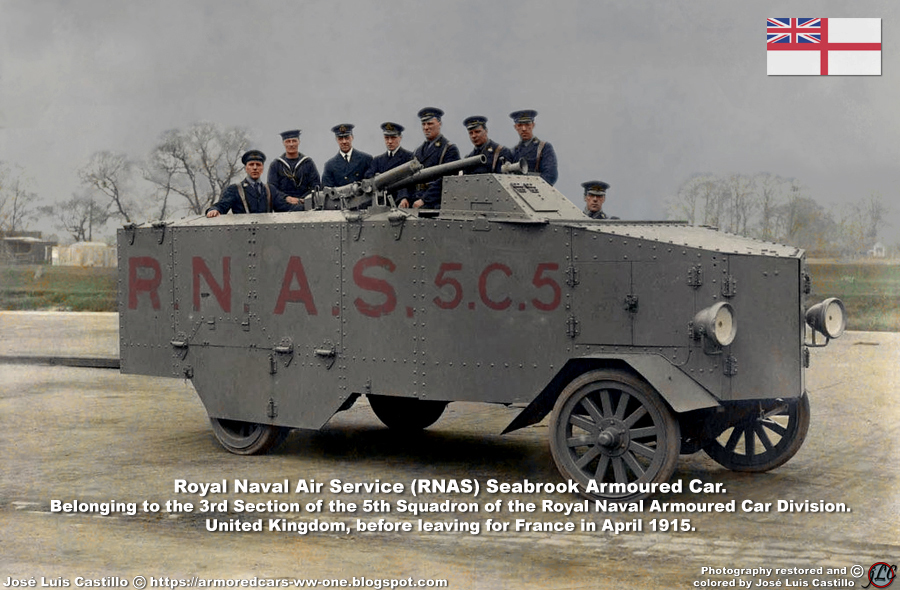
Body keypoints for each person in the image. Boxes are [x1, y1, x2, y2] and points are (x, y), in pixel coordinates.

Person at [206, 150, 301, 217]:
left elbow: (286, 207)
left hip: (267, 236)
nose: (255, 168)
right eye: (251, 165)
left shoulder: (270, 190)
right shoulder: (235, 189)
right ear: (246, 168)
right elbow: (222, 205)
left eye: (258, 165)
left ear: (262, 168)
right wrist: (214, 210)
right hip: (242, 235)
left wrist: (307, 206)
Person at [402, 107, 460, 209]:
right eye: (423, 124)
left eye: (430, 124)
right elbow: (408, 177)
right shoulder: (417, 151)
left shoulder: (448, 149)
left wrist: (424, 200)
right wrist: (404, 197)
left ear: (439, 124)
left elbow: (446, 179)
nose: (426, 127)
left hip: (435, 204)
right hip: (415, 201)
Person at [267, 129, 320, 208]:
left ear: (299, 142)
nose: (291, 144)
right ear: (283, 143)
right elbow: (272, 188)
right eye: (288, 141)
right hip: (284, 206)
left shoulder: (308, 163)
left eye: (294, 141)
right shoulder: (276, 164)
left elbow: (316, 185)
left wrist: (303, 199)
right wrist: (286, 198)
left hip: (305, 204)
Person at [365, 122, 415, 203]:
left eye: (393, 138)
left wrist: (404, 197)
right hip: (382, 202)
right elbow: (368, 176)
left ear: (400, 138)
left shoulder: (409, 157)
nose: (390, 141)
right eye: (386, 138)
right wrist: (377, 178)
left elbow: (411, 182)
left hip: (402, 201)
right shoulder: (378, 160)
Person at [509, 110, 558, 186]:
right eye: (520, 125)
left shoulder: (544, 148)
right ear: (515, 127)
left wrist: (531, 185)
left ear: (533, 125)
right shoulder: (513, 152)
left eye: (527, 124)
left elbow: (550, 175)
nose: (524, 129)